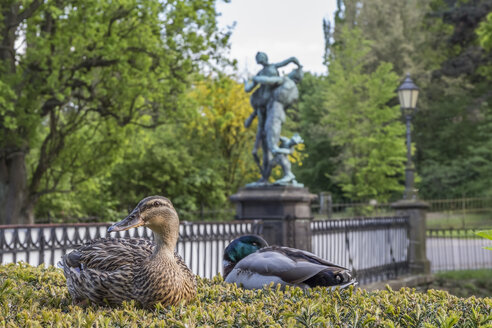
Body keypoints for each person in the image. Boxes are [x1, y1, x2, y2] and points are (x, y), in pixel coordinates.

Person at [244, 52, 301, 183]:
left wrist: (297, 64)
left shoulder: (280, 77)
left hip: (272, 112)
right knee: (265, 147)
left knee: (272, 146)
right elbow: (249, 89)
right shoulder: (263, 74)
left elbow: (270, 79)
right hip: (264, 111)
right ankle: (265, 177)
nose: (259, 59)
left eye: (260, 57)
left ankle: (288, 172)